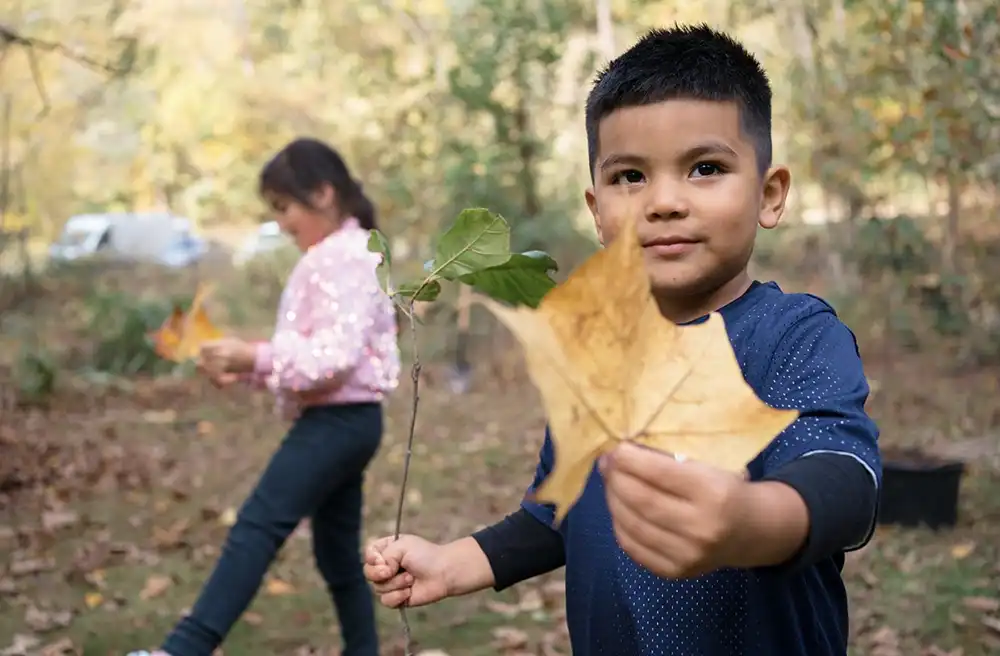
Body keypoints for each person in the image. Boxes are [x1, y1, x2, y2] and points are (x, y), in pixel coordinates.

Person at [363, 24, 880, 656]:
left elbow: (845, 480)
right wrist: (454, 563)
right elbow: (561, 512)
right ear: (597, 210)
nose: (663, 201)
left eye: (706, 168)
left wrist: (751, 521)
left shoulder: (793, 336)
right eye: (630, 177)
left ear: (769, 194)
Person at [129, 137, 400, 656]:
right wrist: (247, 365)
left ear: (322, 193)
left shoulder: (343, 255)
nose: (281, 223)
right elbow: (313, 357)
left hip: (337, 425)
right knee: (338, 556)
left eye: (284, 207)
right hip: (348, 420)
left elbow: (335, 356)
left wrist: (256, 358)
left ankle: (182, 649)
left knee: (257, 525)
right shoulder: (347, 251)